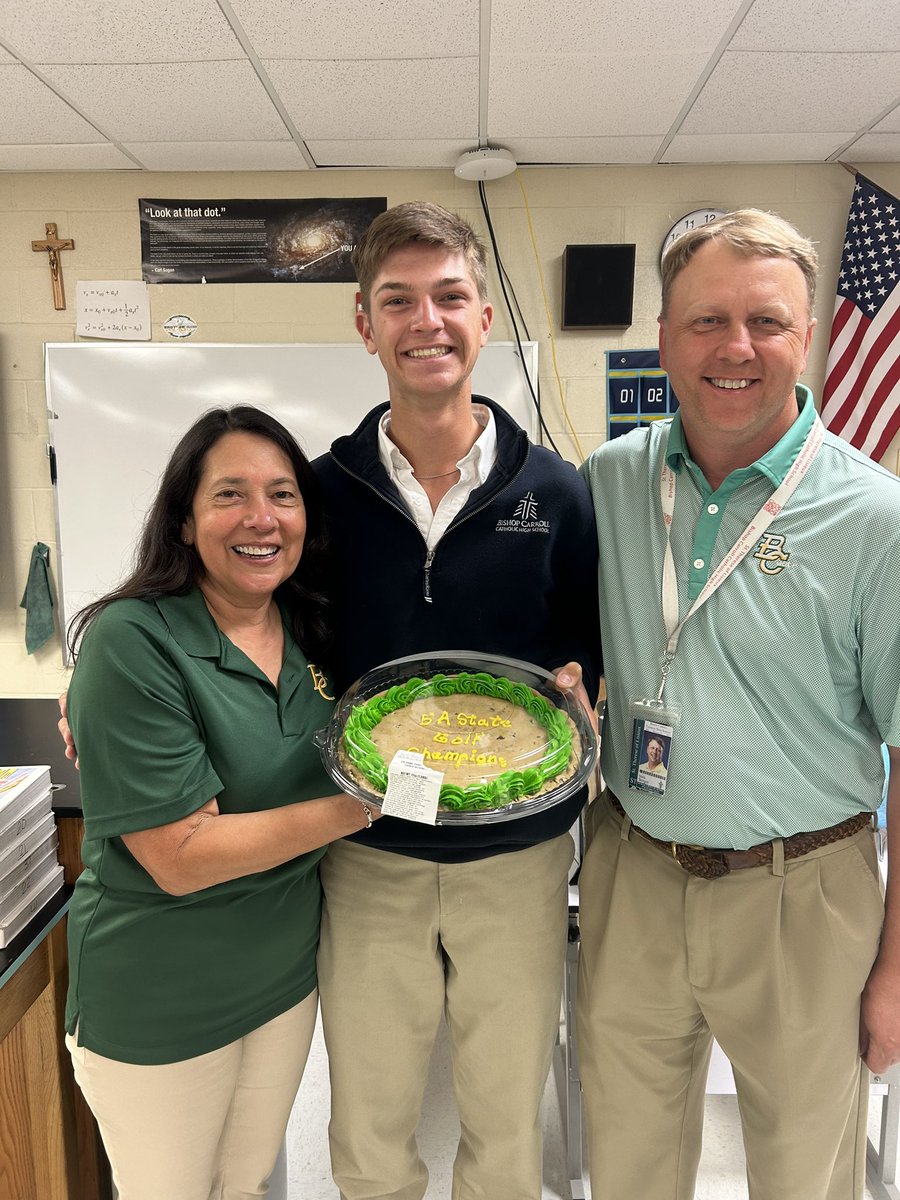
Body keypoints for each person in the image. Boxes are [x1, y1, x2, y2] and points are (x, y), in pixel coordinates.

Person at [576, 208, 900, 1200]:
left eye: (767, 321)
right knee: (626, 1166)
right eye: (707, 320)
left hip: (802, 894)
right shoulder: (610, 481)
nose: (737, 347)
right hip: (635, 873)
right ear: (666, 337)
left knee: (807, 1176)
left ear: (807, 338)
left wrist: (894, 972)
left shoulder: (873, 517)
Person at [312, 201, 602, 1200]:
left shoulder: (559, 493)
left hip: (515, 863)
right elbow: (236, 612)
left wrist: (582, 692)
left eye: (449, 298)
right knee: (369, 1127)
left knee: (506, 1122)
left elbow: (589, 653)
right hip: (366, 854)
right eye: (398, 300)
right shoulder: (317, 494)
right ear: (365, 324)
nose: (424, 321)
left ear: (485, 320)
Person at [62, 405, 377, 1200]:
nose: (261, 518)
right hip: (160, 997)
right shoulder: (134, 640)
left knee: (243, 1186)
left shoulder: (312, 631)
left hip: (280, 985)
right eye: (230, 495)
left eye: (282, 494)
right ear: (184, 520)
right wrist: (365, 806)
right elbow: (179, 858)